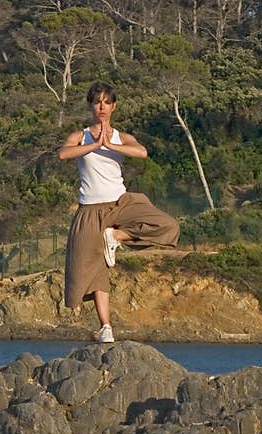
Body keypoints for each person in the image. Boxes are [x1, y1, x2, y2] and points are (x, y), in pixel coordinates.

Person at [58, 82, 180, 343]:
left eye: (106, 102)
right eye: (97, 102)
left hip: (120, 204)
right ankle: (106, 327)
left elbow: (142, 152)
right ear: (91, 105)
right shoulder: (80, 135)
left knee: (168, 226)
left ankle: (116, 236)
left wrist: (109, 145)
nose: (101, 107)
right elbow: (64, 154)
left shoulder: (121, 137)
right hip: (90, 210)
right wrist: (94, 145)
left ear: (114, 106)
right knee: (88, 273)